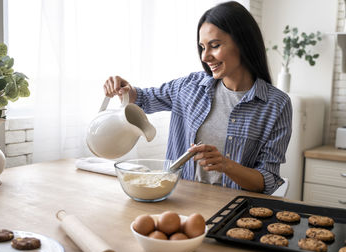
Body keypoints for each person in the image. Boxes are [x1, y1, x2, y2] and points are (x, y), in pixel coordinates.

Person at [103, 1, 292, 194]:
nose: (205, 56)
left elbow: (267, 180)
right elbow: (143, 99)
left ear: (243, 43)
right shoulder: (190, 86)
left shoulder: (276, 105)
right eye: (202, 47)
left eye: (214, 45)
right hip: (181, 201)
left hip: (233, 210)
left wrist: (226, 165)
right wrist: (124, 89)